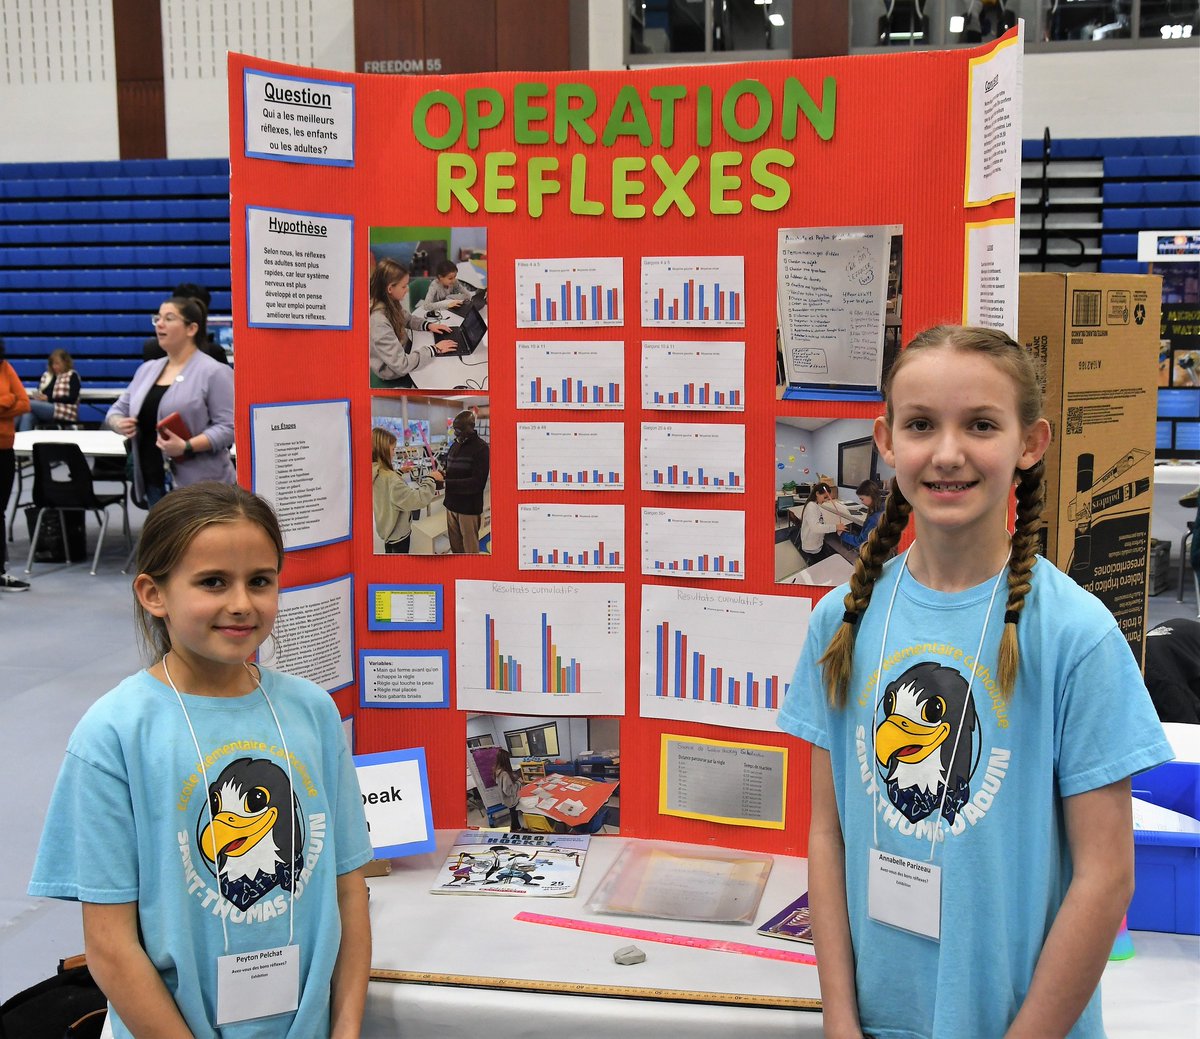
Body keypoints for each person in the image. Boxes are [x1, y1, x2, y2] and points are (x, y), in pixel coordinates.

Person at [777, 325, 1172, 1039]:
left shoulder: (1075, 635)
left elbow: (1106, 875)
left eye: (981, 424)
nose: (949, 452)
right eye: (922, 424)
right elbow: (827, 834)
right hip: (877, 1022)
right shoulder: (842, 620)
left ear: (1030, 443)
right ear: (887, 440)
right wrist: (839, 1017)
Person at [28, 482, 372, 1037]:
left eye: (260, 581)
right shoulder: (115, 734)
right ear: (153, 593)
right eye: (213, 582)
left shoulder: (312, 713)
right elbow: (110, 945)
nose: (241, 603)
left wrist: (346, 1026)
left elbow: (349, 892)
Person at [106, 296, 235, 507]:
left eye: (169, 318)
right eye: (157, 318)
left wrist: (186, 446)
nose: (159, 323)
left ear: (191, 329)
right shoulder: (147, 370)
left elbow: (230, 427)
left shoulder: (214, 372)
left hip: (202, 487)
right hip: (153, 481)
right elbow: (116, 410)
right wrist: (119, 423)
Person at [368, 258, 457, 386]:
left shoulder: (389, 301)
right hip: (394, 372)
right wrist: (435, 349)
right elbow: (402, 365)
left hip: (403, 353)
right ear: (390, 289)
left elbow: (406, 318)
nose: (407, 289)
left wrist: (428, 325)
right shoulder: (379, 322)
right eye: (403, 286)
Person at [371, 426, 443, 553]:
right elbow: (418, 499)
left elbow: (388, 489)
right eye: (393, 449)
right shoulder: (391, 479)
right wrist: (431, 478)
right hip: (398, 534)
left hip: (386, 528)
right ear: (383, 450)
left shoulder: (375, 473)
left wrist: (399, 471)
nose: (394, 453)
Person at [0, 337, 31, 591]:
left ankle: (0, 571)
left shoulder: (5, 367)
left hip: (4, 448)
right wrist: (5, 401)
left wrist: (8, 403)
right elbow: (11, 401)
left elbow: (23, 403)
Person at [141, 283, 229, 366]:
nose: (159, 324)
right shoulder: (152, 355)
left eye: (169, 318)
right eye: (159, 318)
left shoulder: (214, 356)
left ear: (192, 327)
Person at [442, 410, 490, 554]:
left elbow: (477, 483)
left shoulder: (481, 448)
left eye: (458, 430)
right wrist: (441, 474)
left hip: (468, 509)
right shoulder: (454, 446)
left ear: (470, 427)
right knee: (455, 547)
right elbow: (448, 469)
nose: (455, 433)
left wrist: (448, 483)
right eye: (454, 429)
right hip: (450, 505)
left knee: (470, 550)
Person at [16, 349, 81, 430]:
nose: (54, 366)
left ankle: (6, 429)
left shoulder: (72, 375)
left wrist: (48, 398)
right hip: (44, 407)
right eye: (53, 364)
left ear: (65, 362)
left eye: (57, 363)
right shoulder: (47, 375)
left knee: (26, 403)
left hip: (64, 410)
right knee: (27, 415)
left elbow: (72, 398)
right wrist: (38, 396)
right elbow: (40, 392)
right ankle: (22, 442)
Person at [793, 481, 852, 565]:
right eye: (825, 497)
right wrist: (835, 527)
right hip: (812, 546)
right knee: (820, 567)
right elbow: (816, 528)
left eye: (827, 498)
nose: (826, 500)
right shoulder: (811, 507)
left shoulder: (815, 505)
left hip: (816, 542)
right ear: (817, 493)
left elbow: (818, 523)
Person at [839, 478, 884, 551]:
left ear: (871, 495)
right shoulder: (881, 505)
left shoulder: (875, 518)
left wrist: (842, 534)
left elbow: (861, 542)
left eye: (862, 499)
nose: (861, 502)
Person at [493, 749, 522, 832]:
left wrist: (512, 779)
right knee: (514, 815)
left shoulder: (497, 771)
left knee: (514, 814)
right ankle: (515, 829)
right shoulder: (504, 774)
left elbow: (503, 785)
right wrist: (518, 782)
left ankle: (517, 828)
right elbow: (509, 791)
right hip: (510, 799)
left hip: (506, 799)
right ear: (505, 760)